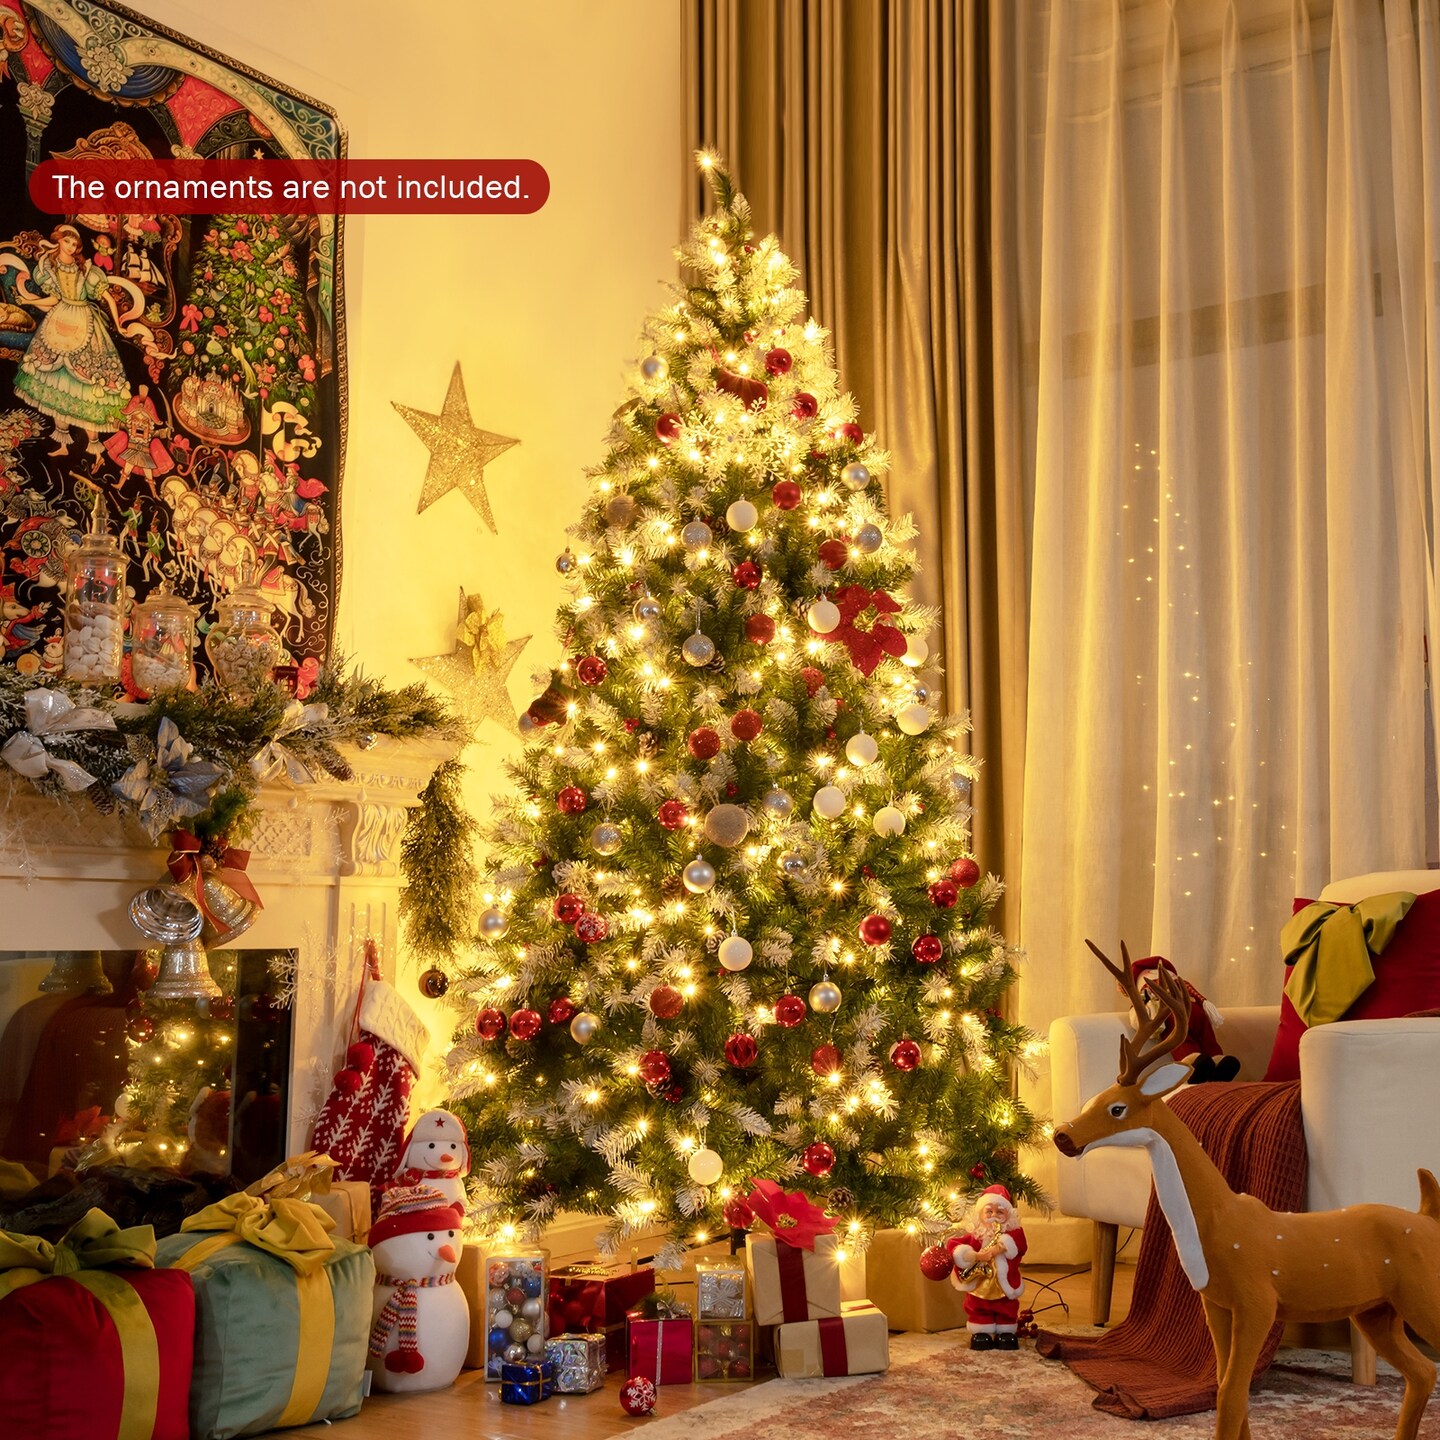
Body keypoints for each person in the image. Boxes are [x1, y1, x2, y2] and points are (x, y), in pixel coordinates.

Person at [13, 224, 131, 456]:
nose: (71, 246)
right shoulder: (50, 268)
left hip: (85, 326)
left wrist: (119, 324)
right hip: (58, 324)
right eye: (67, 241)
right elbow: (53, 300)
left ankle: (94, 447)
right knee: (58, 384)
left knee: (88, 385)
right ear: (58, 240)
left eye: (75, 243)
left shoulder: (85, 269)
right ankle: (64, 445)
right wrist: (28, 302)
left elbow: (105, 295)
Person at [1124, 954, 1241, 1083]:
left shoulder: (1147, 995)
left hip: (1174, 1016)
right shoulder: (1184, 988)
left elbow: (1138, 1019)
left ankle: (1195, 1065)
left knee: (1181, 1040)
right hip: (1196, 1010)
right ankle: (1217, 1061)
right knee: (1205, 1038)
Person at [944, 1184, 1027, 1350]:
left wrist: (1002, 1246)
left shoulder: (1013, 1233)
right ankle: (981, 1330)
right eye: (989, 1211)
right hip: (981, 1282)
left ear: (1008, 1216)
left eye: (1000, 1212)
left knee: (1006, 1305)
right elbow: (954, 1247)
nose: (994, 1216)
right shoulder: (975, 1236)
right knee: (978, 1305)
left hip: (1003, 1284)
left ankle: (1006, 1331)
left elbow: (1020, 1244)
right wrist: (975, 1255)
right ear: (980, 1215)